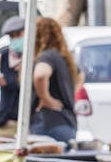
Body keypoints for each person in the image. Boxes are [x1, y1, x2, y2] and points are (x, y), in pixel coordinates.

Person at [29, 15, 83, 143]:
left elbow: (40, 75)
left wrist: (46, 99)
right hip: (67, 121)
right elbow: (80, 76)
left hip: (47, 122)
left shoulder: (46, 56)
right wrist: (70, 95)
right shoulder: (64, 59)